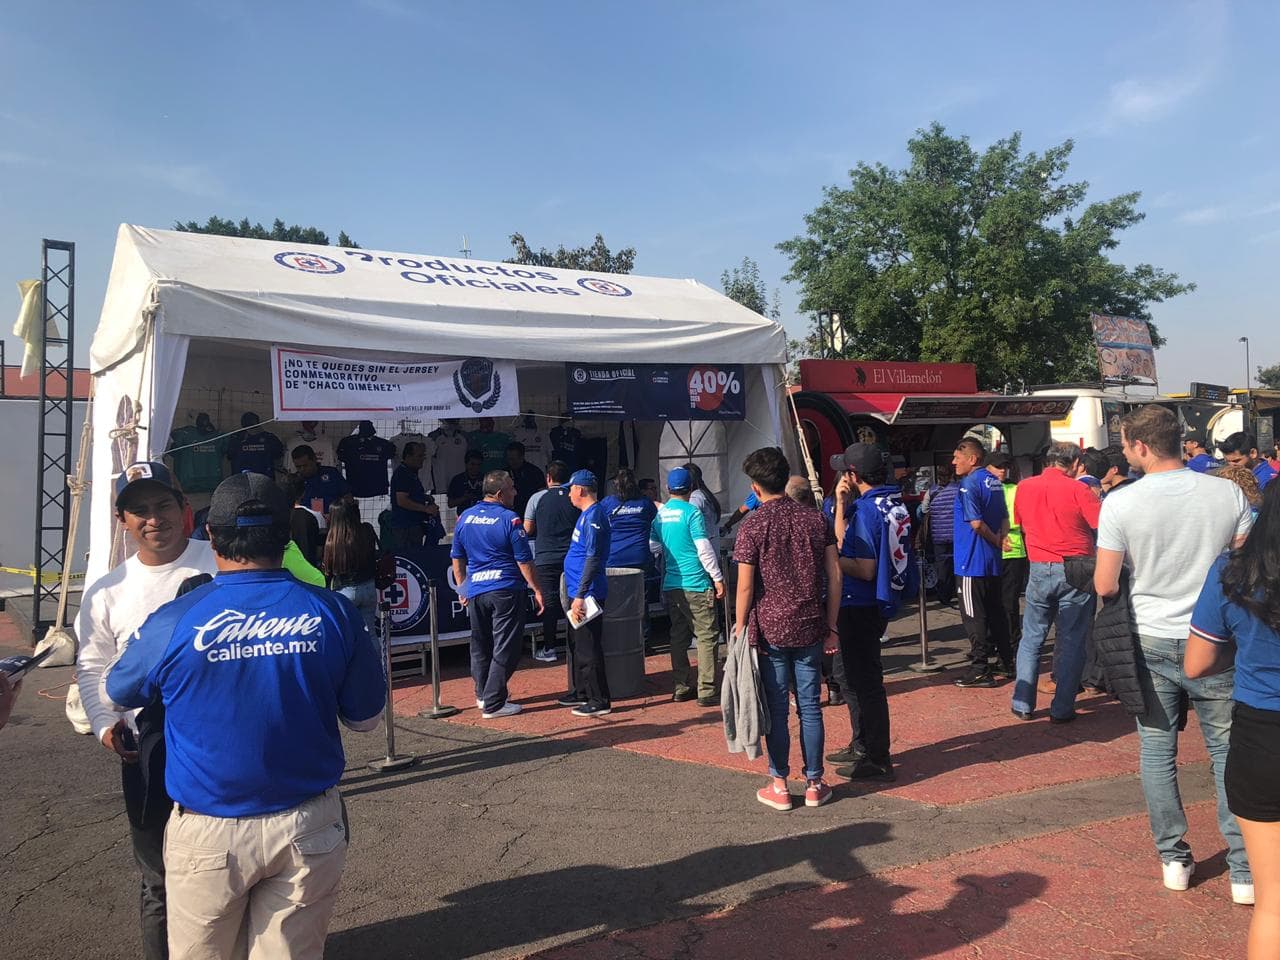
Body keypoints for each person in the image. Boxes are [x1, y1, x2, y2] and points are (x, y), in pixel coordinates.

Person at [104, 471, 385, 960]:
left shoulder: (177, 617)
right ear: (287, 535)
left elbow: (118, 689)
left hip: (208, 831)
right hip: (306, 824)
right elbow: (365, 718)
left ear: (210, 534)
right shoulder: (333, 611)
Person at [1094, 403, 1253, 902]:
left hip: (1151, 635)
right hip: (1216, 638)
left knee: (1157, 748)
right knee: (1226, 750)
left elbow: (1104, 584)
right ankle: (1244, 868)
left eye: (1125, 444)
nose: (1123, 453)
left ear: (1141, 446)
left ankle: (1174, 858)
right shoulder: (1227, 492)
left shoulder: (1120, 503)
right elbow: (1244, 563)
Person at [76, 460, 220, 960]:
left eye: (163, 505)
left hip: (220, 746)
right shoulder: (106, 591)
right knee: (158, 877)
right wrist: (103, 723)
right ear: (123, 521)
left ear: (184, 508)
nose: (153, 519)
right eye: (139, 511)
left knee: (229, 867)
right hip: (147, 752)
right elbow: (91, 666)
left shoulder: (220, 564)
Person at [1186, 479, 1280, 952]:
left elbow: (1197, 663)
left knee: (1274, 903)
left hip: (1262, 737)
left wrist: (1242, 652)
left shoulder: (1235, 571)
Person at [734, 448, 839, 811]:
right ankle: (814, 782)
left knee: (777, 708)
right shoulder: (815, 520)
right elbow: (834, 575)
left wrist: (739, 625)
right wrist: (832, 625)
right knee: (810, 706)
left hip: (770, 627)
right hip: (810, 622)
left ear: (755, 487)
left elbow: (745, 586)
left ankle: (779, 783)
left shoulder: (752, 526)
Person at [829, 443, 915, 781]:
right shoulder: (891, 503)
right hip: (877, 600)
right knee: (852, 677)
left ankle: (877, 755)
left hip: (860, 602)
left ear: (854, 475)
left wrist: (832, 562)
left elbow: (864, 567)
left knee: (864, 682)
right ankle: (862, 743)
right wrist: (841, 505)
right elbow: (846, 541)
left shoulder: (867, 510)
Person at [1009, 441, 1102, 722]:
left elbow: (1019, 521)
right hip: (1076, 566)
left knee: (1032, 637)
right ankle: (1062, 707)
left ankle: (1022, 703)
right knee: (1072, 639)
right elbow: (1101, 525)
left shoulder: (1025, 487)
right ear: (1075, 464)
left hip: (1039, 565)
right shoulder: (1079, 490)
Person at [452, 470, 545, 718]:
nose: (516, 492)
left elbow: (457, 558)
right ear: (500, 494)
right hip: (505, 589)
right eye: (512, 488)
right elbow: (524, 560)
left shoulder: (465, 517)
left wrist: (462, 588)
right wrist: (537, 589)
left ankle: (484, 695)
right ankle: (494, 702)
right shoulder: (510, 519)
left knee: (480, 644)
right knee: (506, 647)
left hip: (477, 591)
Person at [650, 467, 725, 705]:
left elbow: (653, 546)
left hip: (672, 584)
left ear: (668, 488)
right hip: (697, 582)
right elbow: (703, 548)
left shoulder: (660, 515)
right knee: (707, 635)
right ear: (691, 488)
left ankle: (681, 686)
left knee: (678, 636)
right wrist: (717, 577)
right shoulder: (692, 512)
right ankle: (707, 690)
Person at [951, 439, 1013, 687]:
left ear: (972, 459)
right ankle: (1007, 661)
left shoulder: (969, 484)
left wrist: (996, 540)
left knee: (973, 615)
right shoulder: (995, 483)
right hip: (991, 560)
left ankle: (979, 668)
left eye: (958, 457)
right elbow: (1005, 516)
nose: (954, 462)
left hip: (970, 560)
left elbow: (976, 523)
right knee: (996, 612)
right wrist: (1002, 539)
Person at [562, 470, 613, 717]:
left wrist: (581, 594)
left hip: (588, 594)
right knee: (577, 643)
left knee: (588, 646)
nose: (568, 494)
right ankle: (582, 690)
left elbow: (592, 558)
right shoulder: (587, 515)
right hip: (578, 591)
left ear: (580, 490)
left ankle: (598, 699)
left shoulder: (594, 516)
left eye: (570, 489)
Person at [525, 460, 579, 664]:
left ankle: (550, 648)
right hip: (571, 556)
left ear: (548, 478)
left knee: (549, 602)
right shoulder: (574, 496)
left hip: (546, 557)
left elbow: (527, 529)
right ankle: (577, 645)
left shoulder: (537, 497)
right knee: (575, 598)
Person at [988, 452, 1028, 658]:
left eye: (1005, 467)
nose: (1003, 470)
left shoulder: (1016, 488)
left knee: (1009, 602)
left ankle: (1012, 643)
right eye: (998, 467)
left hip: (1013, 550)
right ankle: (992, 641)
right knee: (990, 601)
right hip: (990, 549)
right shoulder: (983, 487)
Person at [323, 499, 381, 636]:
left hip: (345, 590)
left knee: (346, 635)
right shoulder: (366, 530)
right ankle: (375, 652)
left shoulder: (332, 541)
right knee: (370, 633)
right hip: (368, 586)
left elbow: (328, 572)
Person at [388, 441, 441, 551]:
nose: (423, 459)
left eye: (423, 456)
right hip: (405, 527)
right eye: (419, 456)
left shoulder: (411, 473)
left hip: (414, 524)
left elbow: (410, 493)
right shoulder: (403, 474)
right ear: (408, 456)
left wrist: (424, 497)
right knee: (410, 556)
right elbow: (402, 500)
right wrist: (426, 509)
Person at [920, 468, 957, 605]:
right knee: (956, 563)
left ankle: (944, 595)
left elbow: (924, 509)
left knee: (942, 565)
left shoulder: (931, 491)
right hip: (955, 534)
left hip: (938, 535)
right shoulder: (958, 489)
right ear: (951, 475)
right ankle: (957, 591)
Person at [292, 444, 349, 521]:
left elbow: (347, 497)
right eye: (298, 467)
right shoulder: (294, 481)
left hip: (334, 521)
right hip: (307, 523)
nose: (302, 469)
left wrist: (338, 514)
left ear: (314, 460)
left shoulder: (332, 473)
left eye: (305, 465)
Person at [226, 413, 284, 477]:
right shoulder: (269, 437)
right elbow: (279, 455)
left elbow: (279, 455)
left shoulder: (236, 438)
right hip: (250, 478)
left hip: (259, 478)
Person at [285, 474, 324, 565]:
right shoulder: (317, 516)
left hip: (285, 568)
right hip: (310, 567)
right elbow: (319, 552)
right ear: (303, 493)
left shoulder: (277, 517)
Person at [505, 441, 547, 516]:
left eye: (514, 459)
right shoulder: (505, 473)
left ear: (522, 456)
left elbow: (542, 493)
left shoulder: (534, 472)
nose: (511, 462)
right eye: (509, 459)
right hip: (510, 512)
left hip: (530, 511)